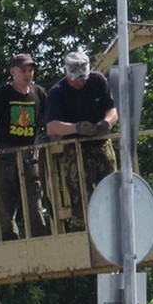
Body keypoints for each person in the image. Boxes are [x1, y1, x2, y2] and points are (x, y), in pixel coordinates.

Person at [45, 49, 119, 231]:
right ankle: (83, 230)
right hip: (75, 147)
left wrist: (106, 123)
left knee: (112, 188)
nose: (80, 82)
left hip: (101, 144)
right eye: (76, 78)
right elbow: (52, 126)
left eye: (83, 78)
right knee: (81, 195)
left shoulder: (98, 81)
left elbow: (113, 111)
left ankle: (113, 228)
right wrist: (76, 128)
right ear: (66, 73)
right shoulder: (57, 92)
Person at [0, 52, 50, 240]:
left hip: (31, 156)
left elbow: (52, 118)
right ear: (13, 71)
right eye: (23, 70)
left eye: (31, 70)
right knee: (5, 208)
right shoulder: (2, 94)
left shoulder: (39, 93)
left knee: (35, 205)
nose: (28, 74)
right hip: (5, 156)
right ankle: (9, 244)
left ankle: (40, 244)